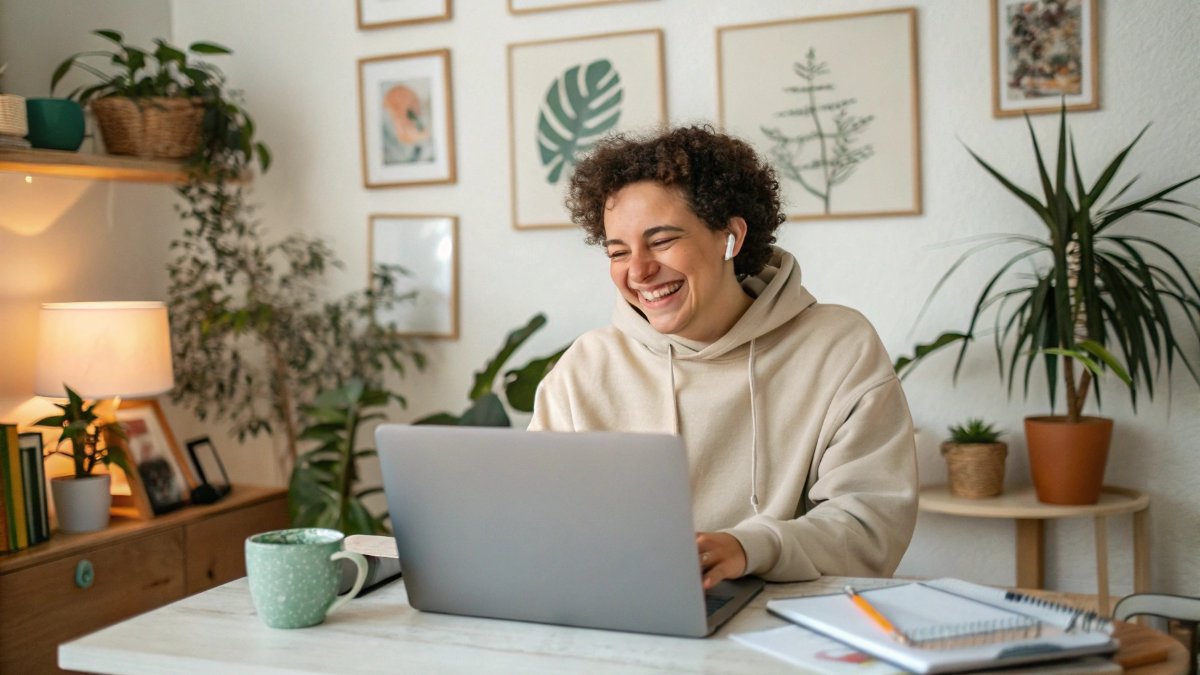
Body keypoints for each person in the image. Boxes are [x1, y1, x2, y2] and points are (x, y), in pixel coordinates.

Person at [529, 125, 918, 590]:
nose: (638, 270)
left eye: (661, 241)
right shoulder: (587, 367)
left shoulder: (837, 347)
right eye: (618, 251)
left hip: (788, 618)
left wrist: (751, 548)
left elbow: (870, 525)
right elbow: (536, 518)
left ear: (729, 236)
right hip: (626, 615)